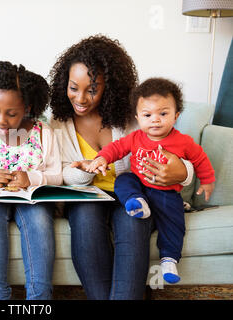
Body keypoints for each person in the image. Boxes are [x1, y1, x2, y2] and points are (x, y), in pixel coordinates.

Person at [48, 35, 194, 299]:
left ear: (110, 87)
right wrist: (84, 169)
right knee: (85, 220)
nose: (80, 98)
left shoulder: (137, 116)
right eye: (73, 87)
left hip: (134, 193)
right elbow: (61, 175)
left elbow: (178, 156)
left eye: (92, 90)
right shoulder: (58, 123)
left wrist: (182, 171)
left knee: (134, 221)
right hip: (87, 197)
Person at [73, 77, 215, 284]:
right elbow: (116, 148)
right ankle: (135, 202)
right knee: (124, 179)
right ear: (138, 117)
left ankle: (169, 259)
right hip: (139, 187)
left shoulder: (183, 141)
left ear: (176, 116)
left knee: (174, 224)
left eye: (163, 114)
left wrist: (207, 180)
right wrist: (101, 158)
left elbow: (200, 159)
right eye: (148, 115)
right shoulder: (135, 137)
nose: (155, 120)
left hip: (165, 192)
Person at [0, 61, 62, 300]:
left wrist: (32, 178)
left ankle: (39, 298)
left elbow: (57, 174)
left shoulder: (43, 132)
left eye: (11, 113)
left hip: (31, 200)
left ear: (27, 108)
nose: (1, 120)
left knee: (38, 220)